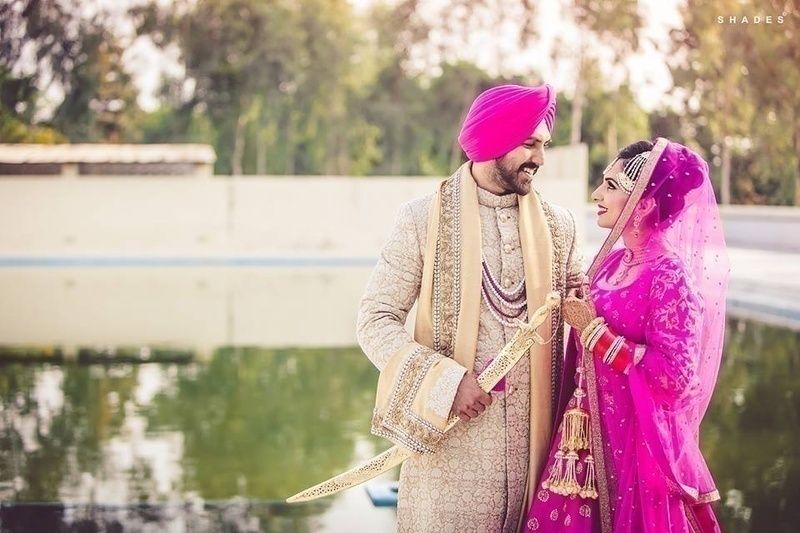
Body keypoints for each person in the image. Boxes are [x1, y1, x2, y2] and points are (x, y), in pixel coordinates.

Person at [356, 83, 584, 532]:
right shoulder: (422, 219)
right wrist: (444, 382)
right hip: (448, 463)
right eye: (529, 144)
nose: (539, 158)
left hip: (537, 462)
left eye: (544, 145)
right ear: (494, 141)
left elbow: (585, 311)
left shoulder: (559, 226)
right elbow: (374, 320)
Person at [523, 138, 729, 532]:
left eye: (611, 185)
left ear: (645, 202)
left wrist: (595, 334)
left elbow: (677, 379)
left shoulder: (669, 276)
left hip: (634, 450)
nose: (597, 194)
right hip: (582, 436)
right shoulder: (614, 260)